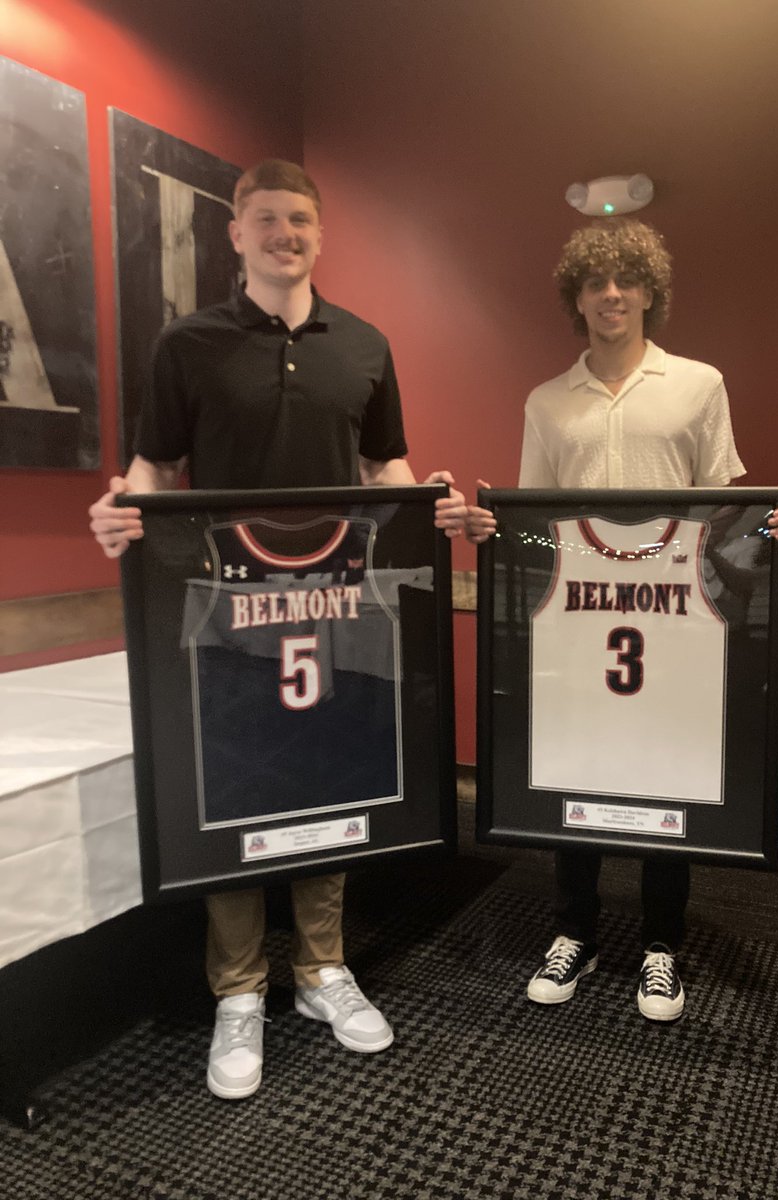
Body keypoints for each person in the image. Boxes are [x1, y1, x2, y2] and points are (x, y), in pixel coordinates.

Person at [89, 159, 466, 1099]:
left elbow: (389, 470)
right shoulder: (188, 344)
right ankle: (241, 990)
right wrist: (121, 523)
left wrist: (434, 508)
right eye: (264, 219)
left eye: (298, 219)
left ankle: (324, 972)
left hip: (338, 608)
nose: (282, 234)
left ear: (319, 232)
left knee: (328, 778)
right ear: (235, 232)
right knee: (241, 793)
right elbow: (152, 467)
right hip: (226, 609)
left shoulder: (366, 345)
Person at [465, 218, 778, 1023]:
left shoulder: (698, 384)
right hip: (580, 625)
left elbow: (728, 516)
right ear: (576, 298)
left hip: (675, 620)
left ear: (651, 292)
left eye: (626, 280)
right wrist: (492, 532)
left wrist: (775, 528)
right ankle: (573, 931)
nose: (611, 294)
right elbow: (534, 529)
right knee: (578, 768)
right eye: (595, 282)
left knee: (667, 776)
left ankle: (661, 946)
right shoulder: (547, 402)